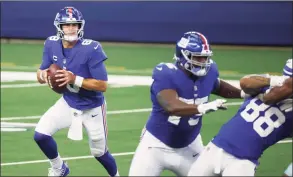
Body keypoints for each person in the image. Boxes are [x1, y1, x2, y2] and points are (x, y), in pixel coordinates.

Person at [128, 31, 248, 176]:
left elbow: (217, 86)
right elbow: (171, 106)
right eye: (198, 57)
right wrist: (202, 107)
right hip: (155, 145)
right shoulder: (166, 73)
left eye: (205, 58)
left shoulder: (209, 72)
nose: (203, 62)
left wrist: (243, 93)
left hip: (190, 145)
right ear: (183, 55)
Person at [34, 6, 119, 177]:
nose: (72, 28)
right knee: (41, 135)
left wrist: (74, 79)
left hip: (92, 107)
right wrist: (42, 75)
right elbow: (40, 71)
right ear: (59, 27)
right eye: (67, 25)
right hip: (69, 102)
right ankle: (59, 168)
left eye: (75, 25)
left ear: (80, 27)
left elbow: (102, 85)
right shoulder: (51, 44)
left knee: (99, 153)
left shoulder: (91, 48)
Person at [187, 58, 292, 176]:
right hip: (216, 147)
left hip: (243, 162)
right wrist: (274, 81)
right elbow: (245, 82)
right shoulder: (266, 85)